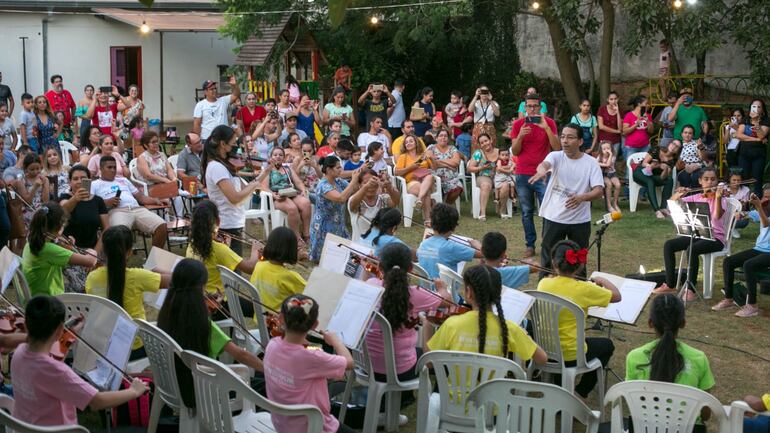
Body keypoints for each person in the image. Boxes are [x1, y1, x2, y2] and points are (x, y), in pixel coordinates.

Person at [11, 295, 148, 427]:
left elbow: (52, 358)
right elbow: (97, 402)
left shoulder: (19, 353)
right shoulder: (58, 372)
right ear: (59, 330)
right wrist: (134, 391)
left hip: (25, 427)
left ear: (27, 325)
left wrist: (70, 334)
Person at [157, 259, 263, 408]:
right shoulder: (202, 325)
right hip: (209, 392)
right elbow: (241, 355)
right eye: (204, 288)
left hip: (181, 387)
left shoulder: (166, 315)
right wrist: (268, 370)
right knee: (261, 383)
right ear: (199, 289)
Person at [538, 240, 621, 397]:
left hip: (546, 349)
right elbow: (617, 296)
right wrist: (603, 281)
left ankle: (559, 384)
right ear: (579, 265)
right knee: (607, 345)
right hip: (571, 354)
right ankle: (580, 392)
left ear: (554, 263)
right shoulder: (585, 288)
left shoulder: (543, 283)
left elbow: (552, 279)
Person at [263, 294, 355, 433]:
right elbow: (349, 363)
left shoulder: (272, 345)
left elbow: (299, 352)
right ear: (315, 325)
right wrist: (336, 341)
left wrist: (314, 348)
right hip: (315, 427)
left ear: (281, 318)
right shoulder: (313, 357)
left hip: (283, 425)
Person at [424, 264, 548, 364]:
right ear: (498, 294)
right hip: (493, 395)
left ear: (468, 293)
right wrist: (526, 336)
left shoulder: (451, 324)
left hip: (455, 395)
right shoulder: (509, 328)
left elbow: (428, 362)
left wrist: (427, 326)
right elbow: (542, 359)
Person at [625, 294, 713, 433]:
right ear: (683, 323)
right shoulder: (698, 358)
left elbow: (632, 404)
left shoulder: (634, 357)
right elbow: (706, 413)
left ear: (650, 323)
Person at [366, 242, 451, 381]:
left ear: (380, 267)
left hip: (368, 365)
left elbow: (363, 285)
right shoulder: (416, 294)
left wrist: (367, 270)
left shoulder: (371, 285)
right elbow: (447, 301)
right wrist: (442, 288)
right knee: (436, 357)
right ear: (411, 268)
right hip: (401, 369)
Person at [529, 123, 603, 277]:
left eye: (570, 137)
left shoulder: (591, 163)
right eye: (562, 137)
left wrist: (582, 197)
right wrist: (541, 171)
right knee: (548, 258)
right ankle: (543, 289)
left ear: (580, 141)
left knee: (579, 259)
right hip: (554, 217)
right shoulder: (556, 156)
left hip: (579, 221)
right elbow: (545, 165)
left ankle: (580, 291)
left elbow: (598, 190)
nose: (565, 141)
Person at [85, 225, 169, 359]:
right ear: (129, 252)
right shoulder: (137, 276)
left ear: (104, 251)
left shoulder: (92, 278)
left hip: (103, 348)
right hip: (134, 348)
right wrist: (158, 270)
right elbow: (176, 280)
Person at [655, 167, 728, 301]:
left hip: (716, 238)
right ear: (700, 181)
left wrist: (717, 197)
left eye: (713, 179)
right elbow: (672, 206)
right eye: (706, 179)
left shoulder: (721, 198)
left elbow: (717, 216)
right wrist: (678, 195)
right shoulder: (696, 197)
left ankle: (691, 289)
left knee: (692, 249)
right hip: (697, 234)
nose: (710, 182)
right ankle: (670, 284)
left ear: (717, 181)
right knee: (669, 245)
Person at [511, 92, 560, 258]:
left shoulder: (549, 123)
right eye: (529, 106)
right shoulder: (518, 125)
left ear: (540, 107)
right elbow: (515, 151)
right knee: (526, 211)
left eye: (535, 106)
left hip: (543, 173)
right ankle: (530, 245)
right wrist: (520, 136)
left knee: (547, 210)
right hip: (523, 173)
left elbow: (557, 148)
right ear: (525, 108)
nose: (532, 109)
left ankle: (547, 243)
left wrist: (546, 128)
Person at [202, 125, 261, 256]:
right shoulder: (217, 167)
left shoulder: (226, 165)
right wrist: (254, 185)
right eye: (233, 143)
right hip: (226, 223)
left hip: (234, 221)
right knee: (233, 269)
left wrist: (265, 172)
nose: (235, 147)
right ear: (223, 144)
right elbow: (234, 198)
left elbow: (245, 190)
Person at [90, 156, 168, 248]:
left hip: (137, 209)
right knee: (119, 233)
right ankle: (120, 261)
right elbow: (90, 203)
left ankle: (153, 260)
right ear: (101, 169)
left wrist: (156, 200)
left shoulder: (123, 180)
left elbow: (140, 197)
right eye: (109, 167)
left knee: (161, 226)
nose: (113, 170)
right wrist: (106, 202)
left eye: (114, 167)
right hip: (116, 211)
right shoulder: (94, 184)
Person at [22, 202, 98, 296]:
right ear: (59, 227)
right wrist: (92, 251)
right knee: (82, 289)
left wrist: (69, 248)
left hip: (35, 296)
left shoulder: (31, 242)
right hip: (48, 301)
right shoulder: (49, 249)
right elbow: (90, 261)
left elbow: (55, 254)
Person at [186, 200, 259, 297]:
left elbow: (214, 260)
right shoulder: (219, 249)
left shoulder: (192, 243)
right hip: (219, 300)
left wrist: (225, 248)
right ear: (218, 221)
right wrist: (255, 250)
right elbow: (250, 268)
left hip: (200, 297)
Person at [713, 193, 769, 318]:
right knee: (729, 262)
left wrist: (759, 207)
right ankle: (729, 299)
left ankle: (752, 306)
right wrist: (742, 213)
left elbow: (766, 224)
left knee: (748, 265)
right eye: (765, 196)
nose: (766, 199)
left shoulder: (763, 209)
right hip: (759, 248)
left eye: (769, 197)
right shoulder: (765, 208)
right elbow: (748, 214)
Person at [308, 156, 362, 261]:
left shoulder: (338, 181)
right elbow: (341, 198)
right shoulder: (323, 186)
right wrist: (353, 180)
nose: (340, 170)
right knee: (326, 259)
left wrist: (359, 180)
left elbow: (353, 190)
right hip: (324, 226)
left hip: (338, 223)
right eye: (338, 168)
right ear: (328, 170)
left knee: (345, 257)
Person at [259, 147, 312, 244]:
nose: (278, 157)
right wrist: (273, 195)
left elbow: (298, 182)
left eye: (280, 155)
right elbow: (264, 187)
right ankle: (296, 238)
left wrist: (303, 190)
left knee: (306, 203)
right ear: (271, 157)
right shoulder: (268, 170)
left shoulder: (288, 169)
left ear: (284, 158)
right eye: (275, 155)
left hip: (290, 193)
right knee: (292, 208)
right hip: (277, 197)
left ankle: (306, 234)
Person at [417, 203, 483, 279]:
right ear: (454, 227)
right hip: (446, 290)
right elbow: (487, 254)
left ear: (431, 223)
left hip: (425, 290)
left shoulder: (423, 244)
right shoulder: (451, 247)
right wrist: (478, 245)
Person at [249, 226, 306, 312]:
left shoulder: (259, 266)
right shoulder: (290, 276)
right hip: (279, 322)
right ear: (292, 250)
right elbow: (311, 293)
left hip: (260, 319)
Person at [349, 168, 400, 237]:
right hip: (360, 245)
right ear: (359, 185)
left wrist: (389, 186)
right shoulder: (354, 199)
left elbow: (396, 201)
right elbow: (352, 205)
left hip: (380, 244)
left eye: (373, 182)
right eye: (365, 182)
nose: (371, 186)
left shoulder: (383, 198)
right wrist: (367, 186)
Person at [737, 99, 770, 196]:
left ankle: (758, 204)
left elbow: (761, 135)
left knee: (757, 179)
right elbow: (739, 135)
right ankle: (744, 201)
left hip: (758, 154)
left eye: (759, 107)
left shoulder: (766, 121)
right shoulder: (745, 119)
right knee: (743, 178)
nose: (756, 109)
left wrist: (756, 123)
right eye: (754, 106)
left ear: (762, 110)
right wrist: (756, 140)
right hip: (744, 153)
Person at [426, 129, 464, 205]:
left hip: (451, 178)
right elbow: (433, 164)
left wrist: (439, 161)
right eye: (441, 135)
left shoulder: (452, 148)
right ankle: (435, 208)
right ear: (436, 138)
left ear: (448, 139)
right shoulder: (431, 148)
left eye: (445, 136)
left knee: (458, 188)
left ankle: (445, 206)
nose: (443, 137)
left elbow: (456, 163)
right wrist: (448, 162)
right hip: (435, 178)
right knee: (429, 187)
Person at [467, 133, 498, 220]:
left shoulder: (500, 152)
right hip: (483, 176)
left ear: (490, 140)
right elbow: (470, 168)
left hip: (498, 176)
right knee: (486, 185)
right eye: (482, 143)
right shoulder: (478, 153)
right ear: (480, 145)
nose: (485, 143)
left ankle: (501, 210)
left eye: (486, 141)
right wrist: (481, 167)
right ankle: (482, 212)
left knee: (505, 184)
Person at [15, 154, 50, 227]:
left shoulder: (44, 179)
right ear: (25, 168)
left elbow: (45, 200)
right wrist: (35, 187)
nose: (35, 172)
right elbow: (27, 202)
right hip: (27, 210)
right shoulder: (21, 180)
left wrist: (45, 184)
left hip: (41, 209)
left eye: (38, 168)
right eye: (32, 169)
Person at [622, 95, 655, 160]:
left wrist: (647, 121)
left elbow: (651, 131)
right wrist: (636, 124)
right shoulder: (629, 115)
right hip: (631, 147)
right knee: (631, 167)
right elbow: (625, 131)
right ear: (639, 104)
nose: (648, 105)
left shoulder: (648, 116)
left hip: (645, 146)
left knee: (645, 167)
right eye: (646, 103)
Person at [596, 91, 623, 164]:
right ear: (607, 100)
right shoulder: (602, 109)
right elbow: (601, 126)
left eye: (615, 99)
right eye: (611, 99)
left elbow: (620, 128)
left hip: (616, 140)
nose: (613, 101)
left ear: (618, 99)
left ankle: (611, 175)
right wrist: (616, 131)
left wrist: (617, 112)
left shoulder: (620, 110)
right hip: (604, 140)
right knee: (602, 160)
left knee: (612, 161)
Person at [597, 141, 621, 213]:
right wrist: (601, 164)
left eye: (608, 148)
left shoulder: (613, 156)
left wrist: (610, 155)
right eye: (604, 149)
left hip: (612, 174)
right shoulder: (599, 157)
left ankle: (615, 203)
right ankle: (609, 205)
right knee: (609, 184)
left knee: (618, 185)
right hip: (603, 175)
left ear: (611, 149)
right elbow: (596, 163)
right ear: (601, 150)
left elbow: (608, 164)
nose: (606, 150)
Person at [494, 147, 516, 216]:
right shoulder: (499, 161)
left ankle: (512, 196)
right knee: (497, 187)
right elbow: (499, 169)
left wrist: (511, 168)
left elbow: (514, 164)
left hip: (507, 178)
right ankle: (497, 198)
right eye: (502, 155)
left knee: (512, 184)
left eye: (506, 155)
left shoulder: (509, 161)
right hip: (500, 178)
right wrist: (508, 170)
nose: (505, 156)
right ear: (499, 156)